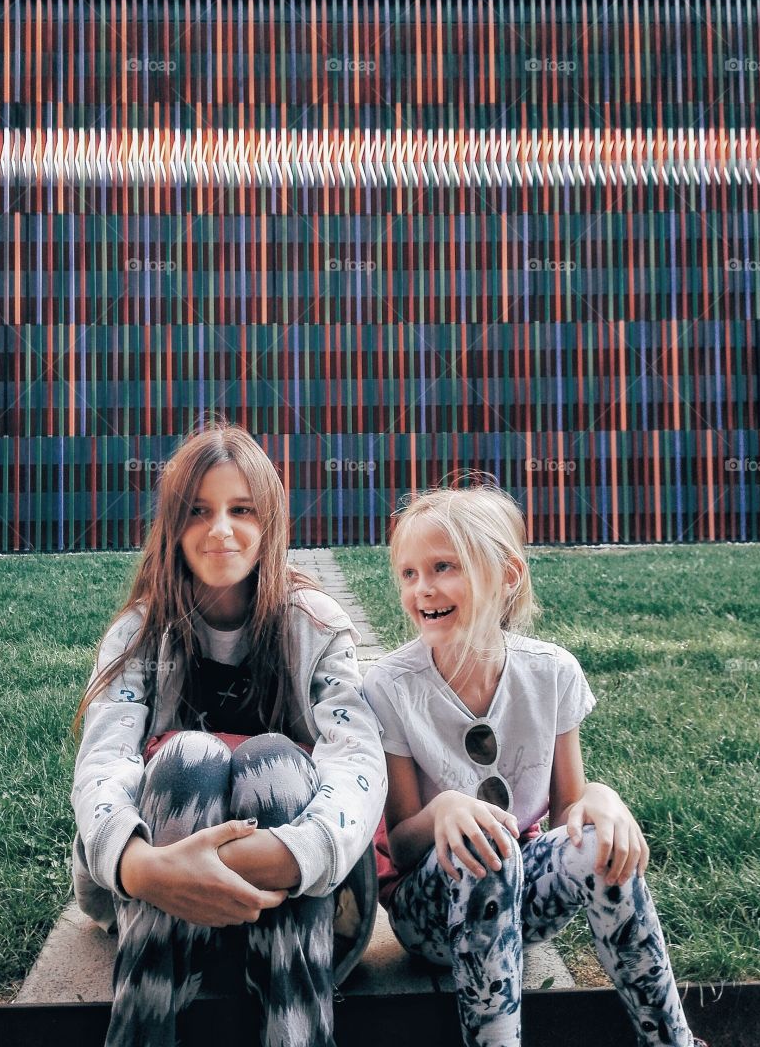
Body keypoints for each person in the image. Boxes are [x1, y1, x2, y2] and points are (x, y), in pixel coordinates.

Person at [70, 424, 386, 1047]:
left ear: (268, 519)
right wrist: (143, 868)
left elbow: (359, 760)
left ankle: (294, 1030)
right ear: (171, 525)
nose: (221, 530)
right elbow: (102, 762)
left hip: (291, 904)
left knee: (277, 762)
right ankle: (144, 1026)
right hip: (154, 900)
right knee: (189, 753)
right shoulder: (141, 631)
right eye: (198, 511)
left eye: (241, 509)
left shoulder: (315, 625)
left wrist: (297, 852)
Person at [362, 480, 708, 1047]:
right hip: (430, 913)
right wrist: (445, 808)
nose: (423, 589)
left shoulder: (552, 673)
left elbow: (567, 812)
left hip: (522, 904)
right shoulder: (391, 686)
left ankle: (673, 1040)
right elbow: (400, 846)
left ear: (506, 576)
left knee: (597, 842)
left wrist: (600, 797)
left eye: (443, 566)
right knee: (486, 848)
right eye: (408, 573)